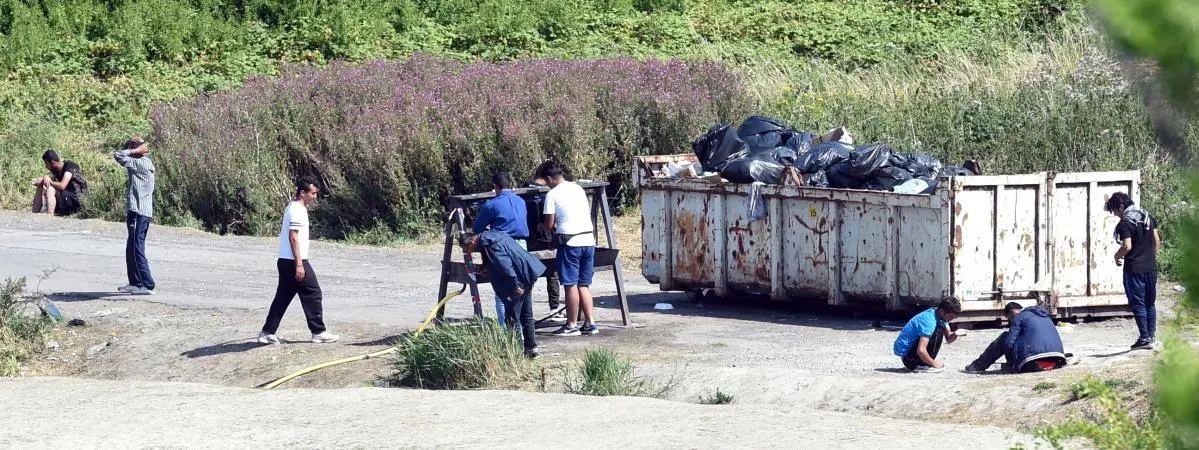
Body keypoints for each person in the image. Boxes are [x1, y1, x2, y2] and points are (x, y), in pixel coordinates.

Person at [258, 179, 339, 345]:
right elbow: (293, 237)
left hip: (285, 260)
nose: (315, 196)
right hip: (294, 261)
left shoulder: (293, 207)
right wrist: (300, 264)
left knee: (283, 296)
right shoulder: (297, 210)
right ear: (302, 193)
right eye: (313, 193)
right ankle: (318, 332)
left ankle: (267, 332)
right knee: (313, 292)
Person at [536, 161, 598, 336]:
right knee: (583, 285)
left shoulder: (552, 194)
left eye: (546, 182)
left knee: (570, 285)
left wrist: (541, 227)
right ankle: (590, 323)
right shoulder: (578, 188)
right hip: (588, 240)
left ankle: (571, 325)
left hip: (570, 243)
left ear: (549, 178)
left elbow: (549, 224)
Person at [460, 230, 545, 357]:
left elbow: (505, 265)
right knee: (526, 315)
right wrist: (486, 268)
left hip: (518, 278)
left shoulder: (490, 245)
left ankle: (516, 353)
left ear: (472, 243)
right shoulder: (491, 236)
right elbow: (498, 259)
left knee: (512, 318)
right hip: (528, 272)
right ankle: (531, 350)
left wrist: (515, 285)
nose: (466, 252)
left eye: (466, 249)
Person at [473, 172, 531, 326]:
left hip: (503, 248)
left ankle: (506, 329)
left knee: (502, 290)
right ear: (509, 185)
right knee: (522, 287)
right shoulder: (520, 201)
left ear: (495, 187)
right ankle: (524, 329)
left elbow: (478, 228)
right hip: (522, 246)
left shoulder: (491, 205)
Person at [1105, 192, 1160, 350]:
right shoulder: (1147, 216)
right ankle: (1151, 336)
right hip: (1150, 267)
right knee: (1150, 303)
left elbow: (1127, 246)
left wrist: (1117, 256)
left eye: (1115, 211)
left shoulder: (1126, 222)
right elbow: (1157, 240)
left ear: (1121, 207)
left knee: (1138, 304)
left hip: (1134, 269)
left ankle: (1144, 339)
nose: (1116, 215)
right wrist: (1149, 257)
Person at [964, 302, 1066, 373]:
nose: (1010, 321)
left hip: (1032, 362)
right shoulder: (1044, 316)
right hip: (1058, 359)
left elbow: (1008, 343)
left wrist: (1011, 363)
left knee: (1005, 337)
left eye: (1009, 318)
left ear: (1011, 313)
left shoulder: (1018, 317)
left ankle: (977, 366)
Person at [114, 137, 157, 296]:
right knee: (130, 247)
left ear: (140, 150)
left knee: (137, 248)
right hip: (139, 211)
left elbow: (118, 155)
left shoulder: (140, 163)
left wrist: (133, 150)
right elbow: (123, 153)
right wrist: (131, 144)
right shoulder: (142, 161)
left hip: (139, 211)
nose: (129, 149)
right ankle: (135, 282)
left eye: (133, 147)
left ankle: (147, 284)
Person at [893, 297, 964, 372]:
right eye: (951, 316)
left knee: (939, 328)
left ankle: (924, 363)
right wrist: (935, 364)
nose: (952, 319)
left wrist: (956, 334)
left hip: (911, 355)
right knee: (938, 331)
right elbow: (921, 350)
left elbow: (949, 339)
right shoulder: (929, 321)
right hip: (909, 359)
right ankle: (921, 365)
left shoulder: (940, 315)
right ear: (942, 311)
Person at [528, 174, 564, 322]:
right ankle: (554, 308)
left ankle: (529, 308)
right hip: (543, 238)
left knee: (534, 275)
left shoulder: (528, 196)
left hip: (535, 239)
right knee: (550, 275)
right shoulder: (547, 195)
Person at [32, 150, 88, 216]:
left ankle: (50, 215)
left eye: (46, 164)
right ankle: (34, 214)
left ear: (53, 163)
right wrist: (45, 178)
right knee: (42, 185)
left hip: (77, 200)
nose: (46, 167)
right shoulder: (57, 169)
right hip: (66, 197)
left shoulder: (70, 167)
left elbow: (62, 186)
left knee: (50, 189)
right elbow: (49, 180)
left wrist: (48, 182)